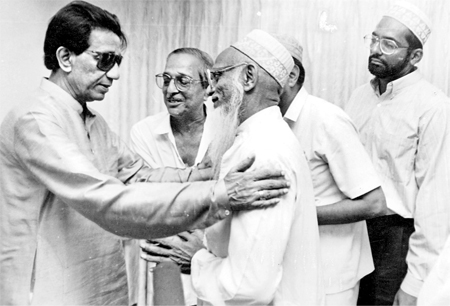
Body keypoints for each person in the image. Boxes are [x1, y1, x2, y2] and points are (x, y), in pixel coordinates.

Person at [0, 2, 291, 304]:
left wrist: (205, 173)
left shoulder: (92, 121)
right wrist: (218, 193)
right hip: (48, 292)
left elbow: (137, 175)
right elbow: (105, 199)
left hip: (97, 288)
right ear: (64, 58)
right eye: (104, 60)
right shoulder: (35, 121)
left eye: (118, 62)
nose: (115, 74)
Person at [142, 29, 324, 305]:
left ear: (248, 77)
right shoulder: (256, 140)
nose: (210, 89)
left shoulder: (264, 152)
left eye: (217, 75)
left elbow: (247, 287)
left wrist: (195, 259)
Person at [345, 2, 450, 305]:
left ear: (415, 56)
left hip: (395, 241)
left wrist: (416, 282)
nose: (376, 49)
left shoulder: (433, 107)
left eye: (389, 44)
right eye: (374, 39)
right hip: (353, 230)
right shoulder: (359, 96)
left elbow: (436, 201)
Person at [275, 35, 386, 305]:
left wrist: (297, 215)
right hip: (289, 269)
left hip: (332, 274)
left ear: (291, 75)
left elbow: (374, 204)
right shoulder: (268, 121)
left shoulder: (326, 119)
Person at [130, 47, 215, 305]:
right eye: (166, 80)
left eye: (182, 80)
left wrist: (204, 249)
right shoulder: (144, 132)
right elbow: (147, 200)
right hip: (163, 257)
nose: (170, 89)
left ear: (208, 85)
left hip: (214, 258)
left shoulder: (228, 131)